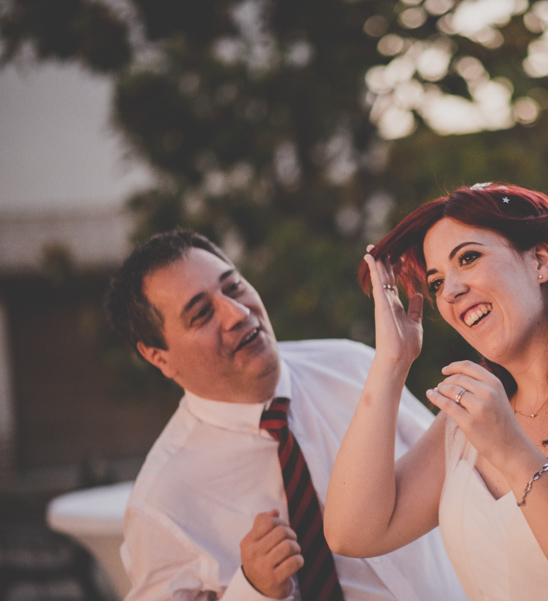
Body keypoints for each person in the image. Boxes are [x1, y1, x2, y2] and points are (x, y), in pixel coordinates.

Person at [323, 184, 548, 601]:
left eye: (468, 258)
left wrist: (512, 452)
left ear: (540, 261)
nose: (451, 290)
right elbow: (353, 533)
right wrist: (392, 362)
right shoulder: (466, 417)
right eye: (436, 282)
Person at [104, 229, 465, 601]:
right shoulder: (162, 502)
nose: (238, 314)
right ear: (157, 356)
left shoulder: (354, 367)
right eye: (201, 314)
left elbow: (458, 477)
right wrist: (252, 591)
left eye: (233, 287)